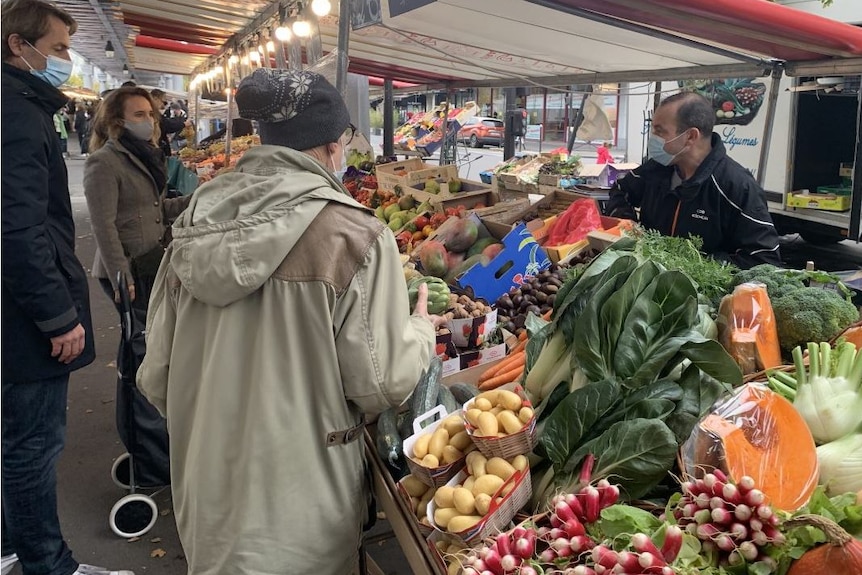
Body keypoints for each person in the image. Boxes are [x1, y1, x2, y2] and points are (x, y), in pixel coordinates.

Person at [137, 68, 441, 575]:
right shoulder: (355, 237)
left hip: (208, 496)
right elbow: (382, 384)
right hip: (304, 508)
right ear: (330, 145)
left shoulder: (193, 222)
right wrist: (421, 331)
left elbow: (157, 376)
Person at [1, 2, 135, 575]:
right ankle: (47, 565)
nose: (62, 61)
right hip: (23, 315)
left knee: (16, 441)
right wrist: (58, 316)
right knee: (33, 446)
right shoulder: (15, 112)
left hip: (14, 308)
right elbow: (17, 225)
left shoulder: (19, 106)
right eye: (56, 49)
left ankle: (12, 548)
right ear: (17, 45)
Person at [83, 86, 189, 488]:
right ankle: (151, 457)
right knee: (143, 359)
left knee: (146, 355)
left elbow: (156, 210)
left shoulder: (143, 157)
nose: (152, 121)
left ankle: (151, 450)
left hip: (150, 265)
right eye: (141, 114)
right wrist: (121, 273)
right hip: (128, 274)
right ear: (117, 123)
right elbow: (103, 224)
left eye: (152, 113)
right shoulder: (103, 163)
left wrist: (200, 198)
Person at [606, 92, 781, 269]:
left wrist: (697, 266)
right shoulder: (655, 170)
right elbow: (620, 191)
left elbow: (764, 259)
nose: (653, 138)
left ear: (690, 136)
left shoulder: (737, 187)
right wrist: (627, 226)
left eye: (660, 131)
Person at [150, 88, 187, 157]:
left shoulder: (155, 113)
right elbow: (167, 125)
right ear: (155, 99)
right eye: (163, 102)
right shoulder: (153, 113)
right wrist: (184, 124)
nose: (163, 106)